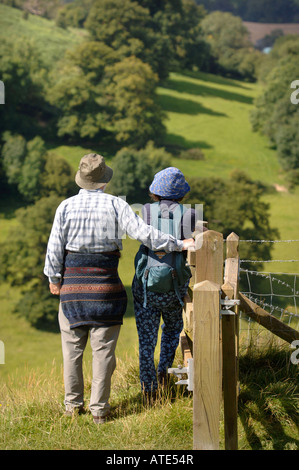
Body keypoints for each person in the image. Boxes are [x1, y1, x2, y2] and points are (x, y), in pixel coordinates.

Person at [44, 154, 195, 424]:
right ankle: (99, 411)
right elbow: (144, 233)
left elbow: (54, 247)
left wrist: (54, 279)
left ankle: (72, 405)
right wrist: (180, 244)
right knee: (103, 352)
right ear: (105, 180)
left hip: (73, 287)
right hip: (106, 288)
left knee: (72, 349)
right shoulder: (116, 205)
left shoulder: (65, 207)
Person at [132, 167, 198, 401]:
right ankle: (164, 372)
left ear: (155, 191)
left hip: (146, 287)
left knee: (146, 339)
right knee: (171, 330)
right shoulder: (189, 214)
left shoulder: (146, 211)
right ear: (182, 193)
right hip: (174, 288)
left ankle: (148, 389)